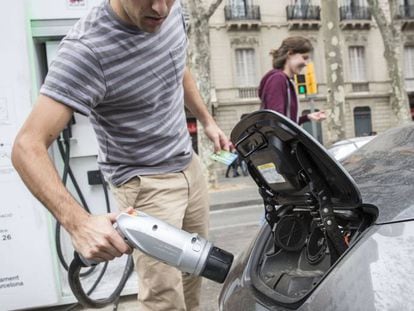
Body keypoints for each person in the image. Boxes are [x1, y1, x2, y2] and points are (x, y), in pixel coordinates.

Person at [11, 0, 230, 310]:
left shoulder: (173, 11)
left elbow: (178, 67)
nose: (160, 9)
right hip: (146, 186)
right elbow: (26, 147)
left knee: (193, 275)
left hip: (188, 164)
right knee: (164, 298)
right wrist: (79, 224)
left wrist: (207, 121)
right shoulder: (86, 50)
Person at [258, 36, 326, 124]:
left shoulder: (287, 81)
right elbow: (277, 122)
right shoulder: (278, 79)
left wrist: (308, 117)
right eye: (304, 58)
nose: (306, 64)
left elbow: (286, 121)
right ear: (290, 54)